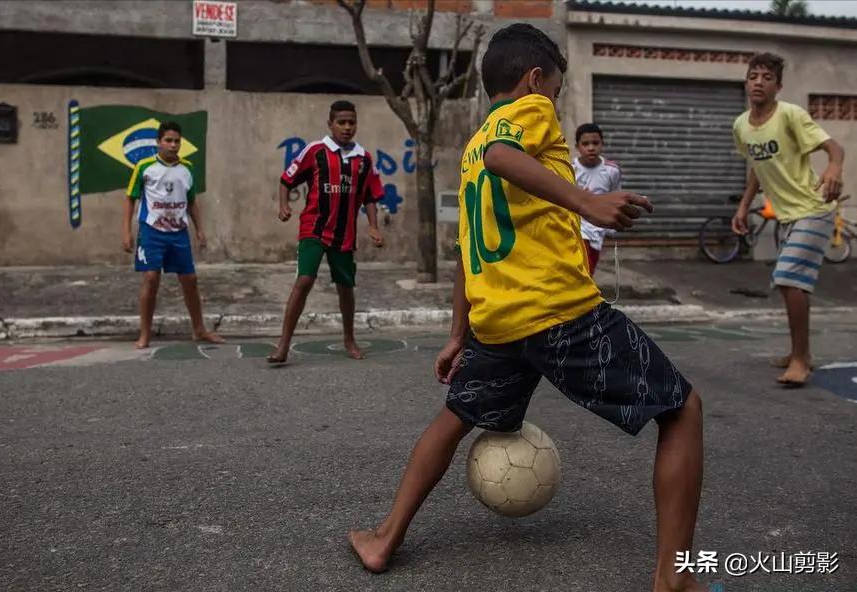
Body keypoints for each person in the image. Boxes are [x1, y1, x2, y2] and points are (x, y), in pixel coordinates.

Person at [348, 24, 705, 592]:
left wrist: (457, 333)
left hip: (498, 322)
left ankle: (384, 537)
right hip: (558, 311)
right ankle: (676, 577)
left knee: (455, 416)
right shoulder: (524, 114)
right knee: (683, 410)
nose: (555, 104)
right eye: (557, 91)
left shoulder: (468, 150)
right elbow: (503, 154)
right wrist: (587, 199)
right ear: (535, 79)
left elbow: (467, 247)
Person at [731, 52, 845, 387]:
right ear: (746, 81)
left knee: (787, 279)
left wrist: (834, 169)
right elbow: (756, 167)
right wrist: (743, 207)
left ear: (777, 86)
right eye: (754, 76)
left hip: (815, 208)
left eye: (767, 77)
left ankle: (800, 359)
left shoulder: (790, 115)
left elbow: (835, 148)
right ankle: (799, 351)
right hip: (787, 215)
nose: (758, 82)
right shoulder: (741, 125)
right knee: (793, 284)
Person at [267, 100, 385, 365]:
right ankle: (283, 345)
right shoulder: (316, 150)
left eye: (351, 122)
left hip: (344, 234)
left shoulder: (363, 158)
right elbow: (287, 179)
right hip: (314, 227)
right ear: (330, 124)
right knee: (304, 281)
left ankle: (349, 339)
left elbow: (369, 196)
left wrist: (374, 226)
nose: (346, 127)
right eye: (341, 122)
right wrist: (284, 205)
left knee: (345, 287)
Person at [122, 121, 224, 349]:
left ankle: (199, 330)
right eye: (168, 140)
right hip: (151, 232)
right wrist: (126, 231)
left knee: (190, 280)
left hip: (178, 233)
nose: (173, 145)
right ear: (158, 142)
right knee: (151, 278)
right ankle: (145, 334)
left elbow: (192, 201)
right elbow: (130, 198)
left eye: (177, 141)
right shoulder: (144, 167)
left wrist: (199, 230)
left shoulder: (186, 168)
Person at [573, 122, 622, 273]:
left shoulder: (611, 170)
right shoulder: (571, 169)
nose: (591, 148)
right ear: (577, 147)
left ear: (602, 144)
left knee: (588, 272)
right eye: (585, 144)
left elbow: (615, 195)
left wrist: (613, 223)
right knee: (580, 270)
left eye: (595, 143)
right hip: (576, 229)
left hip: (597, 231)